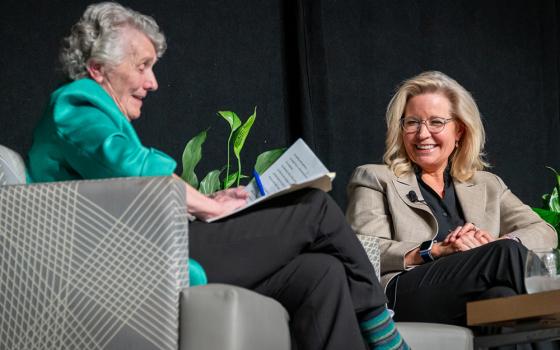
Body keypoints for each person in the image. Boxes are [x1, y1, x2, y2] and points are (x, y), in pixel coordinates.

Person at [27, 3, 409, 349]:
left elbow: (129, 189)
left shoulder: (93, 111)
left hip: (152, 250)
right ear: (98, 69)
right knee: (314, 209)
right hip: (131, 265)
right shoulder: (75, 104)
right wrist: (209, 205)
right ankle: (383, 331)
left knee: (319, 272)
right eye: (142, 66)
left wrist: (206, 204)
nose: (153, 82)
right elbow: (135, 167)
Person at [346, 71, 558, 329]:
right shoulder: (375, 178)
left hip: (465, 297)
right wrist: (434, 250)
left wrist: (492, 244)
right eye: (412, 122)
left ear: (459, 130)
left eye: (436, 122)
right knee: (506, 254)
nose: (422, 134)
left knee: (501, 299)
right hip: (401, 295)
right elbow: (361, 252)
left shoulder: (487, 185)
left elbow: (545, 232)